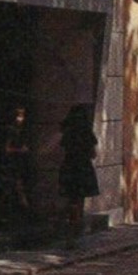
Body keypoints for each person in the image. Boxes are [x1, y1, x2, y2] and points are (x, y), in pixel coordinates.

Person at [58, 104, 100, 245]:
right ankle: (74, 230)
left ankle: (70, 226)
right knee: (78, 199)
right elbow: (93, 154)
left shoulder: (68, 132)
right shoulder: (86, 133)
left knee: (71, 198)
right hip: (82, 167)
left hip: (69, 166)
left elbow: (63, 148)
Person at [2, 104, 33, 217]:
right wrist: (20, 150)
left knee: (18, 186)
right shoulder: (11, 130)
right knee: (15, 186)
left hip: (18, 162)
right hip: (12, 163)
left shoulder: (21, 130)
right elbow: (7, 148)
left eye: (22, 115)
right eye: (19, 115)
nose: (21, 118)